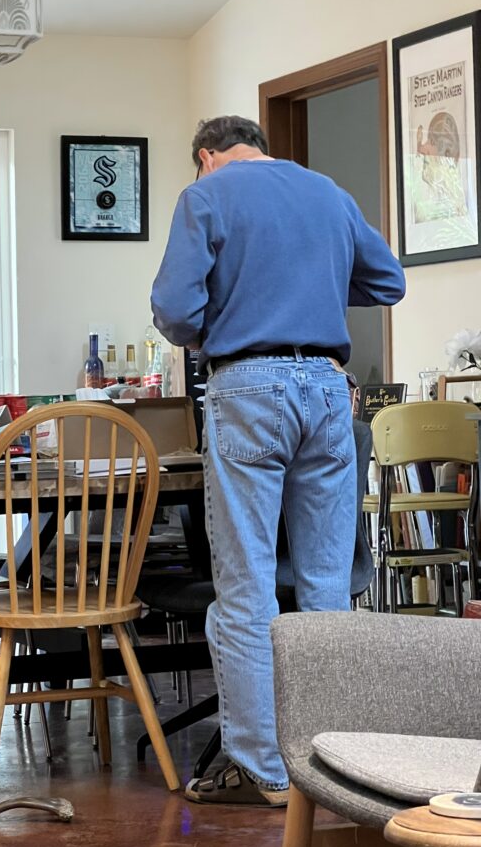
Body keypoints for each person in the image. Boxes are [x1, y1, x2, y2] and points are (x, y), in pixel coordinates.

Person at [151, 116, 406, 807]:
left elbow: (174, 312)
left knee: (247, 586)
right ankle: (333, 764)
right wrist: (312, 290)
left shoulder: (206, 195)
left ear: (205, 155)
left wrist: (236, 309)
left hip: (248, 387)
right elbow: (389, 282)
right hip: (328, 389)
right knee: (327, 584)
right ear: (261, 145)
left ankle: (261, 768)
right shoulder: (327, 191)